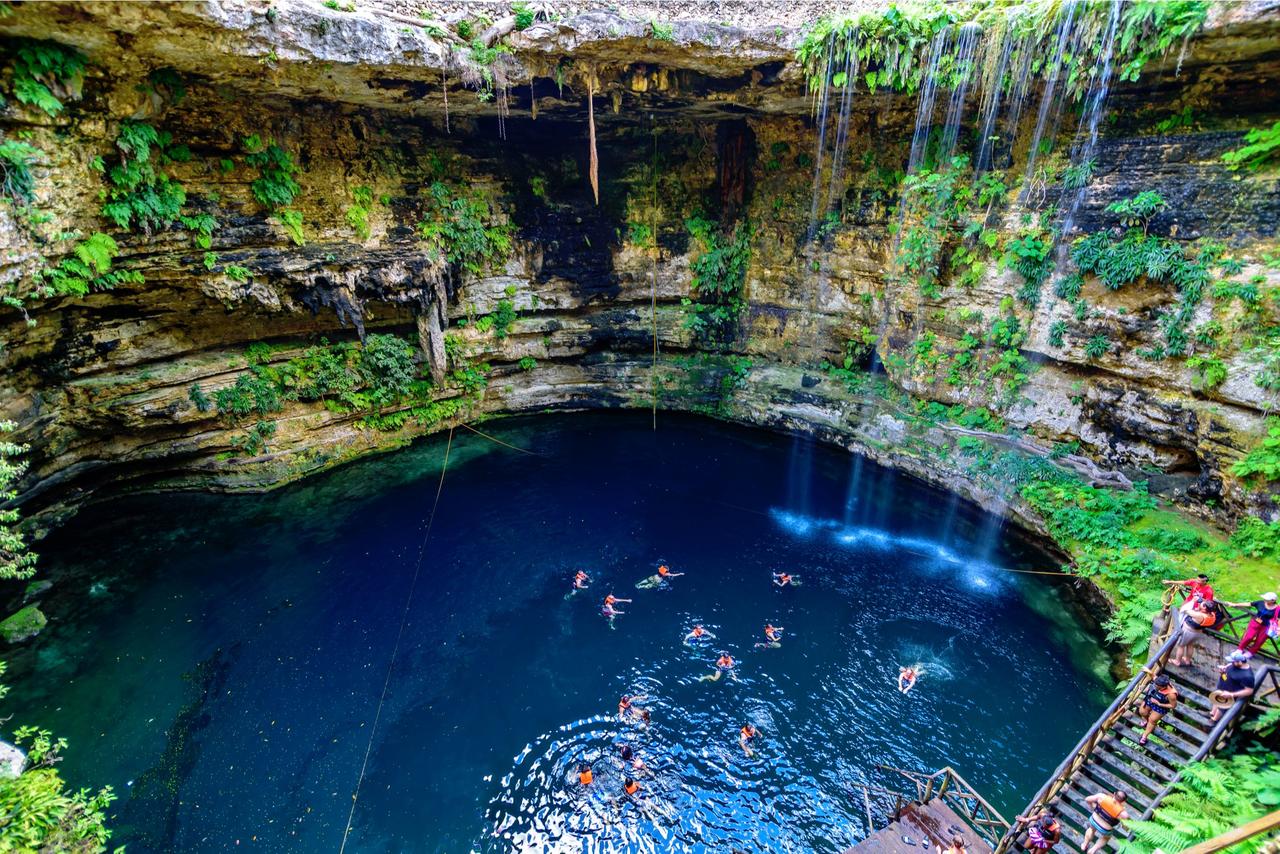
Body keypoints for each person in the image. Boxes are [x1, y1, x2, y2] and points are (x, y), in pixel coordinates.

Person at [1211, 650, 1256, 723]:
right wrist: (1222, 671)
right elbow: (1226, 671)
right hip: (1222, 688)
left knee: (1222, 707)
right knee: (1217, 700)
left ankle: (1214, 720)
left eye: (1233, 661)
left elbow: (1249, 691)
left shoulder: (1247, 676)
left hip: (1230, 694)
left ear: (1240, 662)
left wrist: (1232, 694)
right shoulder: (1233, 664)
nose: (1231, 663)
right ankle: (1212, 713)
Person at [1081, 790, 1128, 854]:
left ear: (1114, 794)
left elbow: (1087, 799)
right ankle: (1093, 850)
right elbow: (1125, 827)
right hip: (1105, 829)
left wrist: (1093, 806)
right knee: (1106, 838)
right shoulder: (1123, 814)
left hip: (1093, 820)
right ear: (1124, 801)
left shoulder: (1101, 797)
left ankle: (1084, 845)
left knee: (1091, 829)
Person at [1170, 600, 1216, 666]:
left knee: (1181, 646)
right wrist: (1199, 608)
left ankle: (1177, 661)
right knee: (1190, 645)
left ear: (1204, 608)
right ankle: (1187, 660)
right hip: (1198, 632)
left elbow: (1185, 610)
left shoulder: (1199, 615)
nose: (1201, 603)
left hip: (1188, 632)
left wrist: (1193, 601)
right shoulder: (1212, 616)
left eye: (1203, 604)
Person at [1138, 673, 1178, 746]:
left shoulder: (1171, 694)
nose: (1156, 686)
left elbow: (1173, 706)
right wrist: (1146, 670)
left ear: (1163, 687)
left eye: (1158, 687)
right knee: (1142, 711)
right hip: (1152, 698)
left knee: (1152, 720)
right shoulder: (1158, 681)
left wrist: (1159, 704)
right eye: (1155, 685)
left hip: (1161, 705)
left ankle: (1144, 736)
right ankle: (1145, 721)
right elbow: (1152, 674)